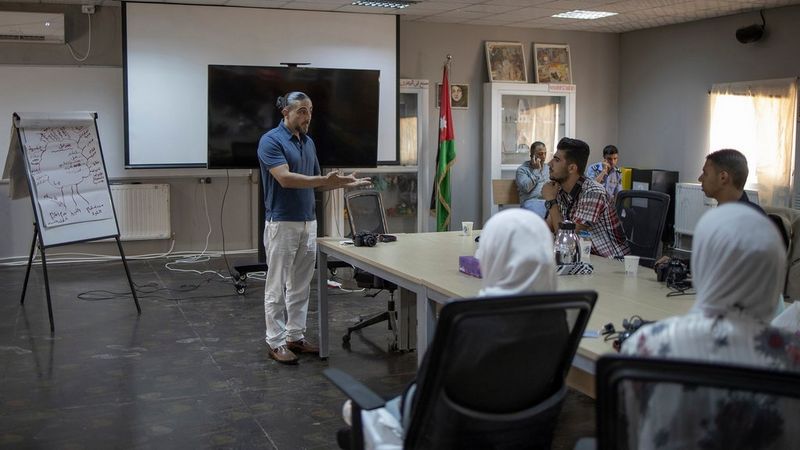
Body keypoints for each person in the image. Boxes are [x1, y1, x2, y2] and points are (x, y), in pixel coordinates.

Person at [340, 209, 556, 446]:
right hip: (517, 434)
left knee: (357, 420)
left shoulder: (467, 321)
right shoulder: (557, 318)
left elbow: (426, 386)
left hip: (446, 431)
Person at [621, 204, 800, 449]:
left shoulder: (645, 347)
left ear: (702, 264)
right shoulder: (792, 358)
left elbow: (630, 435)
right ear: (775, 269)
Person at [258, 91, 371, 365]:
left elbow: (319, 182)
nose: (307, 116)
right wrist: (324, 178)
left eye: (309, 110)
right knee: (276, 286)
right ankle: (275, 341)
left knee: (300, 285)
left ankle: (294, 336)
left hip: (308, 222)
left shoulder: (308, 143)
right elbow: (285, 179)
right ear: (285, 112)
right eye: (301, 111)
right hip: (282, 222)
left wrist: (345, 183)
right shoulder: (270, 141)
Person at [542, 137, 629, 259]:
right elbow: (546, 231)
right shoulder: (560, 190)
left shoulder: (593, 192)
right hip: (583, 259)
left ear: (572, 168)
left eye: (556, 160)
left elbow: (566, 241)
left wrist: (551, 201)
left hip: (612, 263)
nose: (549, 164)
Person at [698, 148, 765, 214]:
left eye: (705, 173)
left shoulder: (750, 218)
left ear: (723, 177)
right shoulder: (723, 213)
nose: (700, 179)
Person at [515, 141, 550, 217]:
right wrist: (536, 170)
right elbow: (526, 188)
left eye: (545, 153)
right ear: (532, 155)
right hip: (532, 202)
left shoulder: (549, 168)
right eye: (540, 154)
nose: (544, 157)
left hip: (549, 203)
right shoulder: (522, 170)